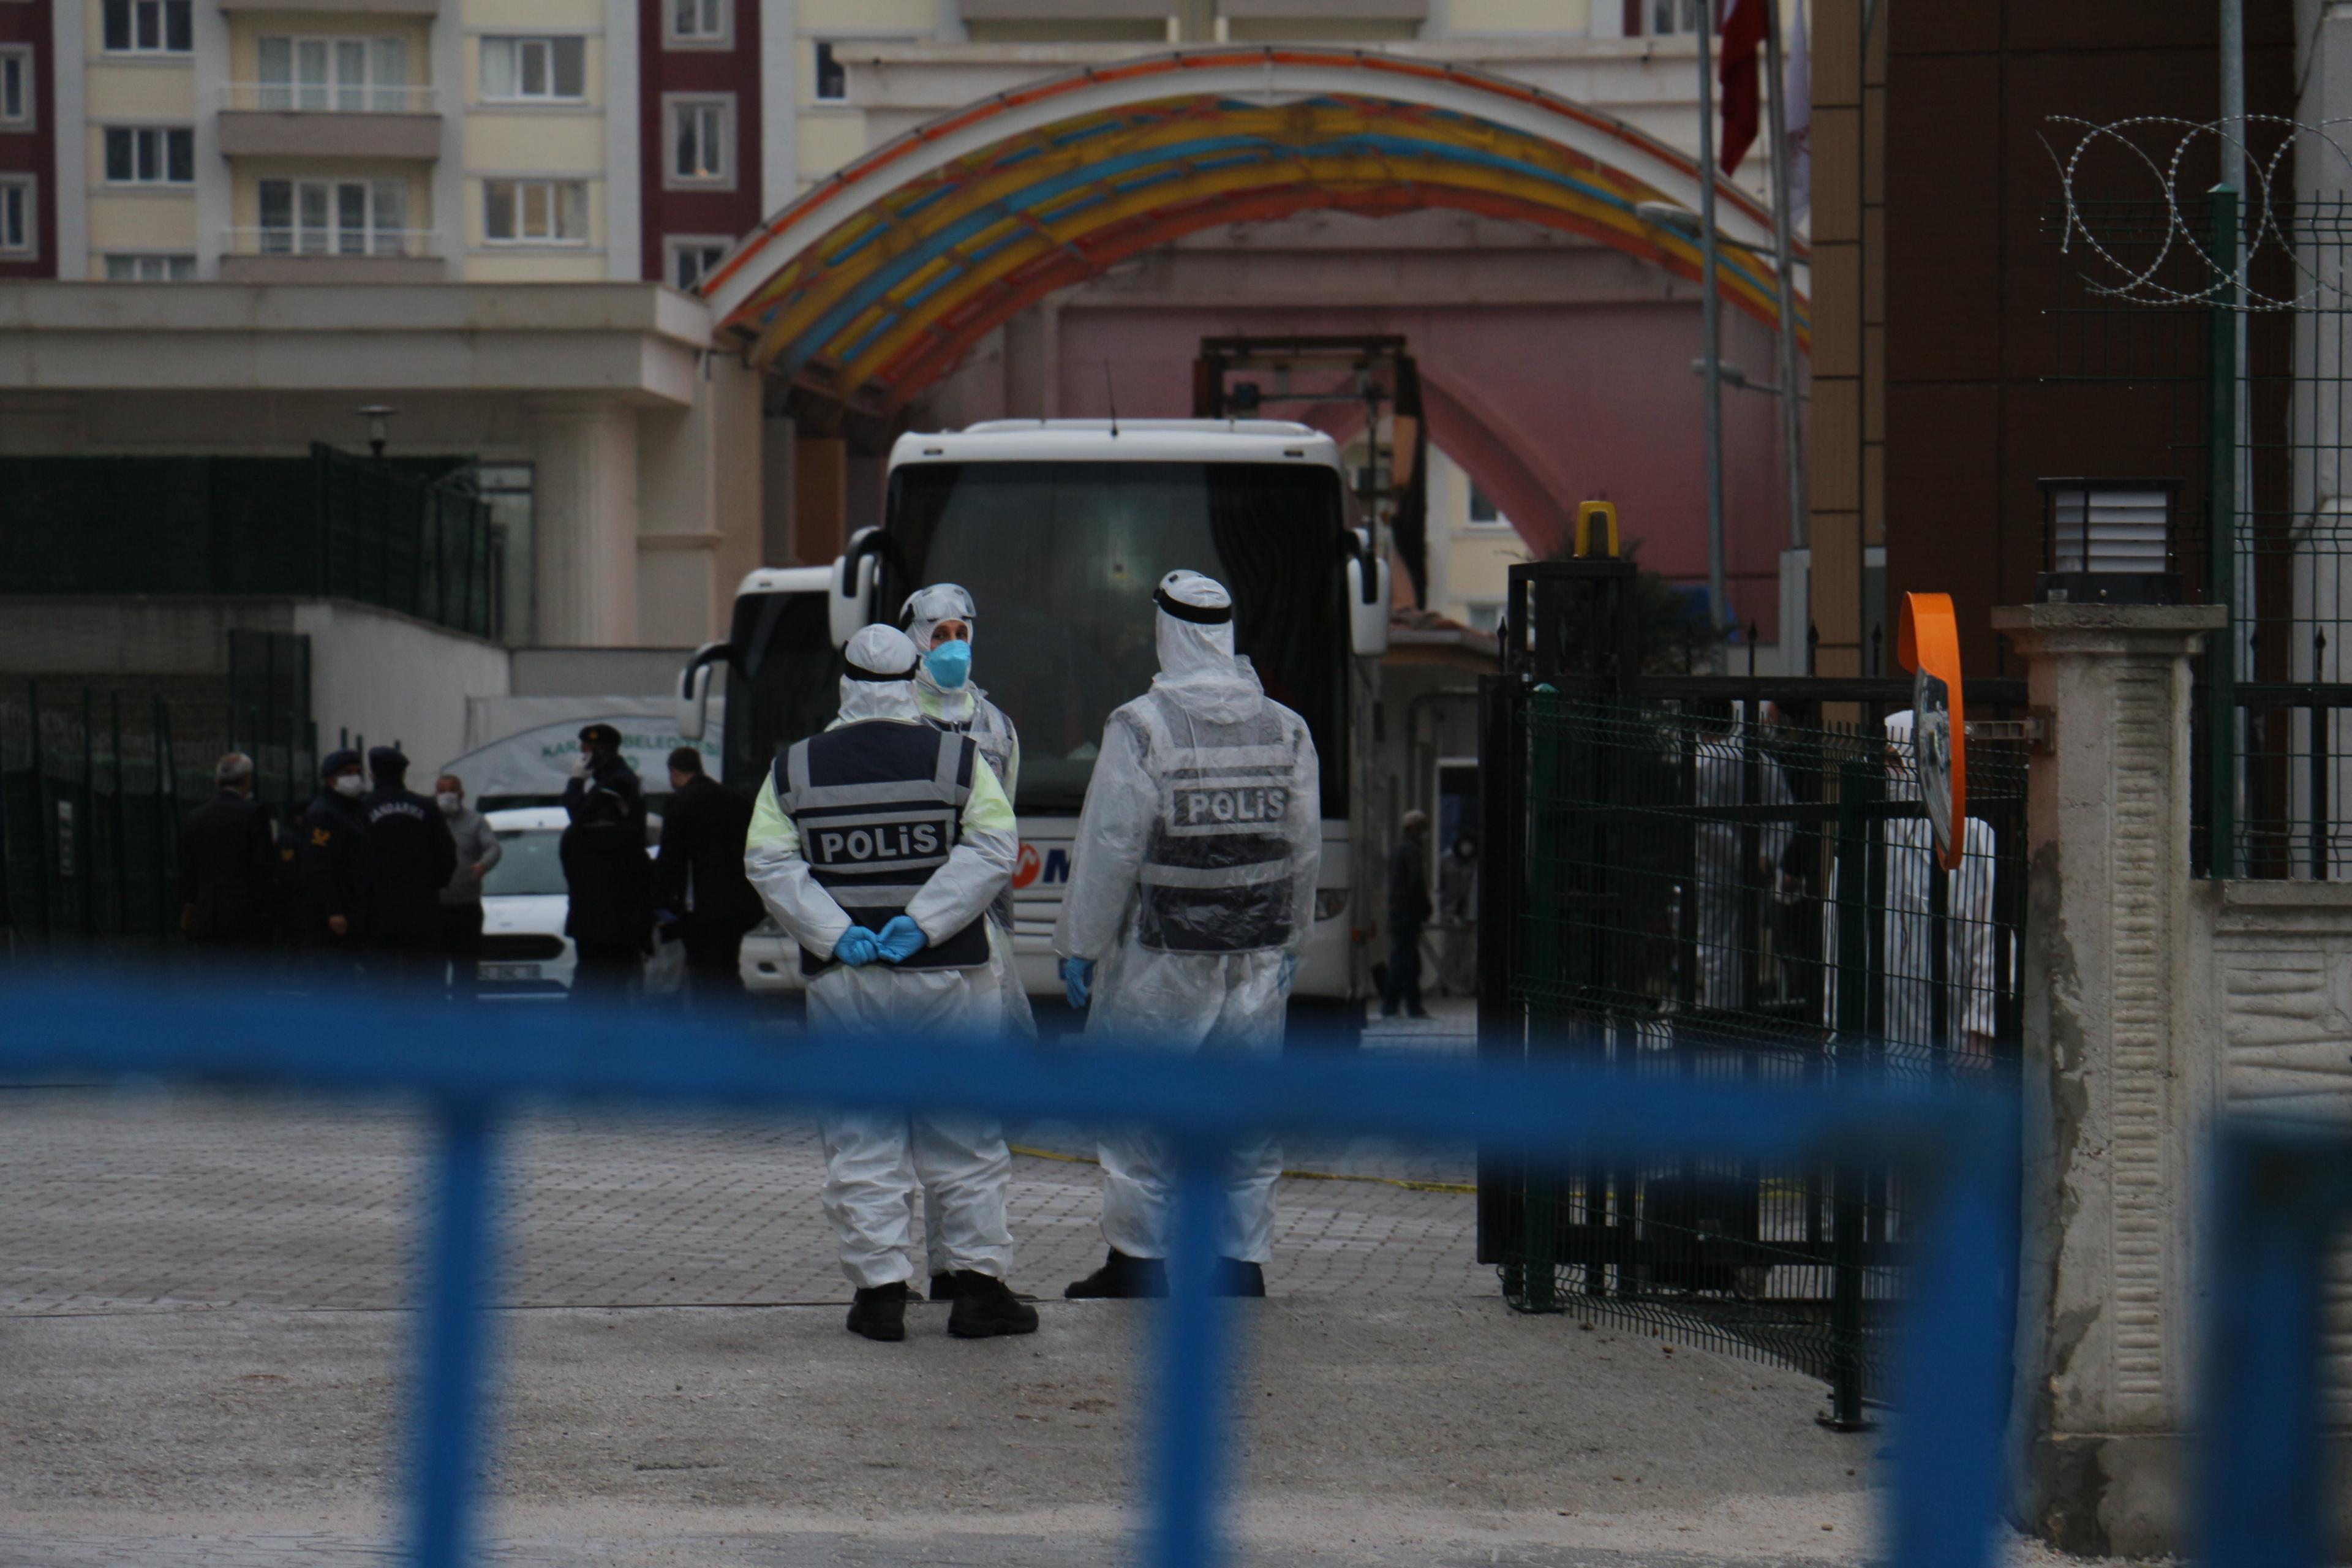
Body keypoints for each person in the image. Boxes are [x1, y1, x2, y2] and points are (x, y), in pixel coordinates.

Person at [743, 624, 1036, 1343]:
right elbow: (996, 847)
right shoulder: (959, 758)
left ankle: (879, 1296)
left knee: (861, 1129)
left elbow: (768, 862)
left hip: (846, 979)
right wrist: (925, 920)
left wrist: (832, 930)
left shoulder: (794, 767)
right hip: (948, 973)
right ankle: (977, 1291)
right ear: (912, 680)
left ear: (844, 682)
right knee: (963, 1130)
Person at [1054, 571, 1321, 1300]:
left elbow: (1111, 844)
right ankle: (1239, 1266)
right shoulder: (1286, 727)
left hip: (1162, 958)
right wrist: (1294, 935)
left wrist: (1078, 944)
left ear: (1166, 630)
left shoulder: (1142, 725)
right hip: (1257, 958)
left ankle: (1140, 1265)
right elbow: (1303, 844)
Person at [902, 581, 1033, 1305]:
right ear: (914, 637)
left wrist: (1003, 942)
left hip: (977, 936)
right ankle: (927, 1270)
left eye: (961, 630)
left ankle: (959, 1269)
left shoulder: (998, 726)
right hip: (909, 933)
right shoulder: (892, 717)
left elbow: (1000, 835)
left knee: (967, 1114)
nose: (951, 644)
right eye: (938, 630)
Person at [1822, 710, 1998, 1068]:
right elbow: (1836, 930)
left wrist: (1980, 1031)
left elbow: (1989, 939)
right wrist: (1833, 1021)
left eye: (1894, 759)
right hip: (1877, 1024)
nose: (1887, 770)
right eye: (1885, 759)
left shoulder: (1972, 837)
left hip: (1947, 1027)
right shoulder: (1865, 832)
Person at [653, 746, 762, 1003]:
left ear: (674, 772)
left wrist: (660, 902)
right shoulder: (737, 800)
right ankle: (736, 1026)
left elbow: (671, 858)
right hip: (738, 905)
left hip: (700, 908)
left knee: (705, 973)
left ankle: (716, 1033)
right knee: (728, 967)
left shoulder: (680, 804)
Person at [561, 723, 652, 1002]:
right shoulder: (608, 781)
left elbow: (582, 817)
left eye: (586, 751)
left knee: (599, 982)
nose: (582, 756)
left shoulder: (618, 783)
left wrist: (575, 782)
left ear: (598, 752)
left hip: (607, 908)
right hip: (607, 910)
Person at [361, 747, 458, 991]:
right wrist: (434, 884)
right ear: (404, 773)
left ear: (372, 775)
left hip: (376, 908)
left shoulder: (361, 808)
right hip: (421, 907)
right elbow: (447, 853)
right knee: (425, 981)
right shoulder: (426, 807)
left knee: (379, 981)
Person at [179, 752, 278, 961]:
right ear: (248, 779)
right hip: (245, 915)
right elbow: (263, 867)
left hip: (208, 914)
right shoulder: (254, 813)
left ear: (217, 781)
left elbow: (189, 868)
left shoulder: (196, 816)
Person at [295, 748, 377, 982]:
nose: (354, 777)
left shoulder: (352, 808)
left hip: (355, 906)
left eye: (357, 772)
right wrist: (334, 910)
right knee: (332, 976)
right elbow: (319, 865)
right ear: (331, 779)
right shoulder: (324, 813)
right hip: (333, 914)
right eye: (347, 773)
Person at [435, 774, 502, 1002]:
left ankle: (465, 1023)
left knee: (466, 972)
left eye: (451, 790)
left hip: (466, 909)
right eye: (442, 791)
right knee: (434, 973)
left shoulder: (475, 821)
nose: (447, 796)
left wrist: (483, 864)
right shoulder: (429, 822)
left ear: (462, 795)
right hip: (435, 909)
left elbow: (493, 848)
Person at [1381, 810, 1432, 1020]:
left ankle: (1412, 1005)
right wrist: (1425, 907)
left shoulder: (1398, 849)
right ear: (1413, 827)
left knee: (1408, 960)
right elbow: (1416, 883)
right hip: (1408, 912)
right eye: (1422, 827)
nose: (1424, 831)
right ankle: (1391, 1004)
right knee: (1403, 959)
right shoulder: (1412, 851)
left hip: (1399, 910)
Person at [1435, 833, 1479, 998]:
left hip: (1469, 914)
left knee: (1468, 953)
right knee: (1450, 951)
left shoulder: (1474, 863)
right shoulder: (1446, 861)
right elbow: (1441, 887)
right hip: (1450, 912)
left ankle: (1464, 986)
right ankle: (1447, 984)